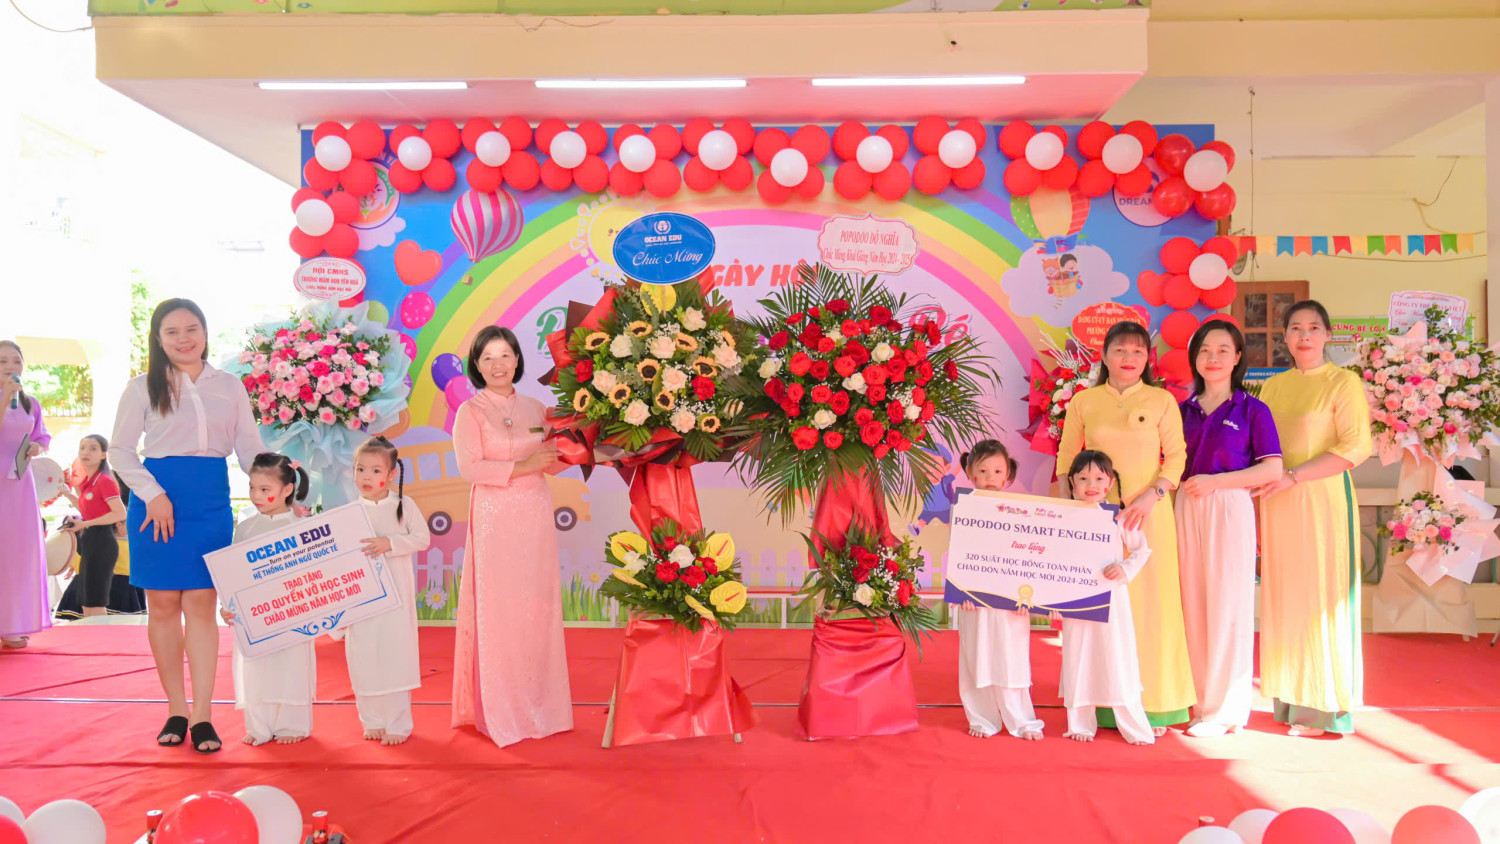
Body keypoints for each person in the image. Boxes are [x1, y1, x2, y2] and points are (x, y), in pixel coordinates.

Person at [110, 299, 265, 753]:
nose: (183, 338)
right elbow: (120, 451)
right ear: (158, 339)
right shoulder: (141, 387)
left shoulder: (229, 386)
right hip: (154, 499)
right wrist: (153, 495)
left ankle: (202, 715)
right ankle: (175, 709)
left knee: (201, 603)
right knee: (161, 604)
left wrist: (280, 482)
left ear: (205, 332)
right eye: (172, 331)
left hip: (208, 499)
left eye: (191, 328)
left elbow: (250, 448)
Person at [1056, 320, 1194, 734]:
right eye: (1120, 350)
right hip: (1096, 521)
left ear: (1147, 358)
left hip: (1149, 517)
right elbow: (1066, 459)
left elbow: (1177, 457)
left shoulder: (1161, 400)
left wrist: (1153, 495)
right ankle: (1101, 703)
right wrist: (1071, 512)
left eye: (1137, 351)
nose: (1129, 358)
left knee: (1153, 606)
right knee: (1103, 607)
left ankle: (1157, 704)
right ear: (1104, 355)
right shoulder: (1084, 401)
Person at [1253, 300, 1372, 737]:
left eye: (1314, 328)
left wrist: (1295, 476)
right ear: (1285, 337)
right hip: (1277, 502)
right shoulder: (1273, 387)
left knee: (1321, 598)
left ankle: (1323, 708)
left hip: (1321, 500)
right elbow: (1261, 446)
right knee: (1285, 598)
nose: (1304, 336)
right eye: (1296, 328)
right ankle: (1290, 700)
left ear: (1327, 335)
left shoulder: (1343, 382)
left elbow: (1356, 446)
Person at [451, 325, 571, 748]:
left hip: (534, 511)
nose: (497, 364)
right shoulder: (470, 412)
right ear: (476, 366)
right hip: (494, 516)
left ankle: (543, 708)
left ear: (517, 359)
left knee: (537, 605)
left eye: (504, 355)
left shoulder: (538, 409)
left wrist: (591, 440)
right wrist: (524, 466)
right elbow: (470, 469)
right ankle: (502, 712)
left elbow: (556, 459)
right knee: (500, 609)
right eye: (487, 358)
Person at [1176, 320, 1283, 738]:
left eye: (1223, 350)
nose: (1213, 358)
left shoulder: (1252, 410)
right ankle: (1199, 702)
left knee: (1228, 605)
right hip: (1186, 505)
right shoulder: (1182, 410)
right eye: (1205, 350)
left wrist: (1217, 483)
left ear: (1238, 357)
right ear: (1195, 358)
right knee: (1191, 604)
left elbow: (1271, 469)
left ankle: (1225, 710)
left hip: (1229, 507)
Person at [1056, 450, 1154, 746]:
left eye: (1099, 478)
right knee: (1078, 656)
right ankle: (1080, 725)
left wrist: (1123, 568)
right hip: (1076, 600)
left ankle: (1134, 727)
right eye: (1083, 478)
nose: (1091, 485)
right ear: (1072, 482)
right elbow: (1053, 559)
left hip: (1111, 599)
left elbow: (1141, 550)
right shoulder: (1061, 517)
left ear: (1110, 483)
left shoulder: (1119, 518)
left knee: (1118, 656)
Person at [220, 453, 315, 746]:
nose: (256, 496)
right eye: (252, 488)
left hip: (294, 612)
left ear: (287, 489)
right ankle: (259, 725)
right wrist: (227, 606)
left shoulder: (303, 525)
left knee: (291, 664)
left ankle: (292, 724)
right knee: (257, 668)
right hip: (255, 616)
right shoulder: (245, 528)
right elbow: (233, 573)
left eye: (265, 489)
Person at [952, 439, 1044, 740]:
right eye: (983, 471)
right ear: (970, 473)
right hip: (975, 602)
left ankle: (1022, 721)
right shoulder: (963, 509)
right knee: (976, 656)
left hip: (1011, 602)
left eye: (997, 471)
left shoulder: (1020, 512)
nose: (990, 477)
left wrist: (1027, 596)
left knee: (1011, 657)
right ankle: (982, 719)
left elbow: (1027, 555)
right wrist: (962, 594)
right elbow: (959, 554)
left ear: (1007, 475)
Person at [344, 436, 430, 746]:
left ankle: (398, 722)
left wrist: (390, 544)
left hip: (396, 599)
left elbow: (422, 539)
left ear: (392, 474)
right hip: (362, 599)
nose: (366, 477)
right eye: (360, 469)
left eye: (375, 470)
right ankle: (372, 720)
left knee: (395, 655)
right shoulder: (349, 512)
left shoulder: (404, 506)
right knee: (363, 655)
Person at [0, 340, 50, 649]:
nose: (10, 367)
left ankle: (12, 623)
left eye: (16, 361)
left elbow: (42, 436)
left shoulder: (30, 402)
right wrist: (5, 397)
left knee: (18, 552)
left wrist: (36, 447)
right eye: (3, 361)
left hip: (19, 483)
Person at [57, 435, 128, 618]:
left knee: (95, 602)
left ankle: (101, 636)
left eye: (93, 448)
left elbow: (120, 514)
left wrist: (85, 523)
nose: (85, 452)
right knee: (87, 602)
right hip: (90, 543)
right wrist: (66, 494)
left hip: (102, 543)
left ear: (104, 454)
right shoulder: (89, 483)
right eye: (82, 448)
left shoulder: (105, 481)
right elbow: (88, 511)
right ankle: (95, 635)